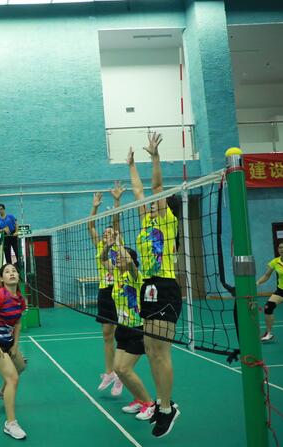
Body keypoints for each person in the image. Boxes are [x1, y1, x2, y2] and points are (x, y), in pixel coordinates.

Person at [127, 132, 181, 437]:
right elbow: (139, 191)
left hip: (165, 287)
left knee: (161, 351)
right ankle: (162, 403)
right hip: (147, 288)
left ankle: (167, 408)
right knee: (149, 348)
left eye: (156, 203)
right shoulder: (145, 221)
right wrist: (131, 165)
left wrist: (155, 157)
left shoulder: (167, 220)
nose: (149, 204)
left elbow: (156, 187)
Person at [101, 238, 155, 421]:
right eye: (117, 257)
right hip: (122, 328)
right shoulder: (117, 274)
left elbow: (130, 263)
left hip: (137, 329)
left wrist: (119, 243)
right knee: (118, 369)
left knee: (125, 369)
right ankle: (139, 400)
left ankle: (150, 404)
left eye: (121, 257)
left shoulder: (135, 276)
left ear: (130, 259)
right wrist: (109, 246)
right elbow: (103, 259)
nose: (117, 258)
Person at [0, 264, 27, 440]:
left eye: (14, 271)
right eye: (7, 272)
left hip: (8, 340)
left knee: (20, 367)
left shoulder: (20, 299)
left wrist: (15, 345)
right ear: (1, 278)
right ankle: (10, 423)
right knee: (12, 378)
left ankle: (1, 392)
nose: (11, 273)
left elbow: (18, 323)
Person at [89, 183, 125, 396]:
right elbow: (90, 226)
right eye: (105, 232)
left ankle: (120, 374)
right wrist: (94, 206)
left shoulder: (119, 244)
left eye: (110, 232)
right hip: (104, 292)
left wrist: (117, 200)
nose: (106, 233)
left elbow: (117, 221)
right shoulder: (99, 247)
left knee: (121, 334)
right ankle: (110, 372)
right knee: (106, 334)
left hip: (120, 291)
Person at [256, 240, 283, 341]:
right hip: (282, 291)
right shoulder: (275, 262)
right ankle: (268, 333)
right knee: (268, 308)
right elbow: (266, 275)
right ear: (278, 249)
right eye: (280, 247)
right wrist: (257, 283)